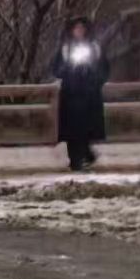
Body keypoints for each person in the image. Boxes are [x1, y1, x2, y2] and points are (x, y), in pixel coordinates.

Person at [51, 17, 109, 172]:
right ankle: (75, 160)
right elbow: (56, 69)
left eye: (82, 29)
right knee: (72, 130)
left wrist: (94, 77)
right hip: (70, 95)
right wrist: (69, 67)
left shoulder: (94, 48)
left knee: (86, 128)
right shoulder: (65, 49)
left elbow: (104, 69)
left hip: (89, 95)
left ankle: (85, 155)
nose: (79, 31)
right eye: (76, 29)